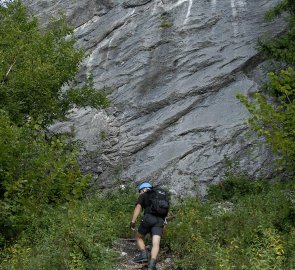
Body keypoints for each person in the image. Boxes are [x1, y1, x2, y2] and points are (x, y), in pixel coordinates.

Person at [130, 182, 168, 270]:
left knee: (139, 237)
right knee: (156, 243)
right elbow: (165, 212)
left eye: (140, 191)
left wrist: (133, 221)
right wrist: (164, 224)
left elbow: (138, 207)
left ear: (143, 189)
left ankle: (144, 254)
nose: (140, 193)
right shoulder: (162, 197)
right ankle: (152, 264)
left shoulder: (144, 194)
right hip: (160, 221)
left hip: (148, 218)